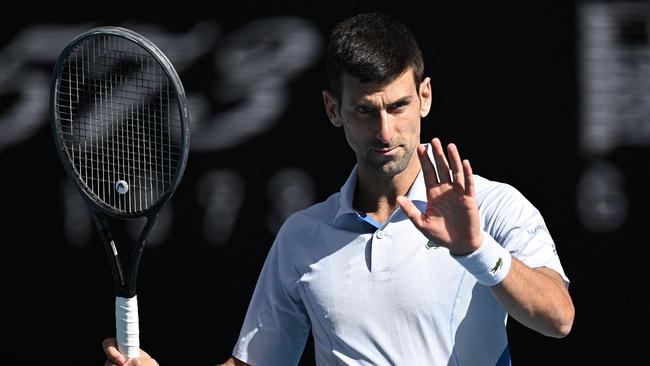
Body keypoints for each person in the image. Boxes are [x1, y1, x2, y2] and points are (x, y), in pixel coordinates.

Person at [103, 11, 575, 366]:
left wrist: (476, 250)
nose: (386, 132)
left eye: (399, 105)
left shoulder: (492, 207)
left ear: (425, 97)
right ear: (334, 110)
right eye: (366, 111)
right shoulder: (300, 237)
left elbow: (558, 318)